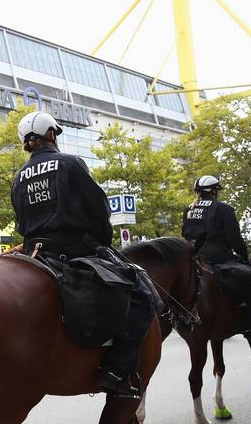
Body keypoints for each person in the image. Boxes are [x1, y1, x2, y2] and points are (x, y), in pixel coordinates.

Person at [11, 111, 151, 398]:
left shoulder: (19, 177)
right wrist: (103, 241)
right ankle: (116, 371)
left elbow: (21, 222)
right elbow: (99, 207)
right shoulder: (70, 163)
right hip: (74, 249)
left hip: (36, 252)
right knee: (140, 294)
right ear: (52, 134)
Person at [181, 175, 251, 338]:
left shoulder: (189, 210)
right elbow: (235, 239)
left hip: (194, 256)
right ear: (214, 191)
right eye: (217, 190)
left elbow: (185, 234)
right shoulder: (224, 209)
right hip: (218, 257)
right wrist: (244, 257)